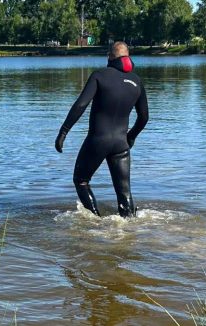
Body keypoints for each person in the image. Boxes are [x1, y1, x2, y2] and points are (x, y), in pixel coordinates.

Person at [54, 41, 149, 218]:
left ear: (110, 57)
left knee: (81, 181)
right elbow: (144, 118)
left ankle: (96, 221)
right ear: (128, 57)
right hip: (121, 144)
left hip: (98, 141)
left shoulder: (100, 76)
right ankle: (130, 226)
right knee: (124, 193)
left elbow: (81, 105)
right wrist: (131, 137)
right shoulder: (137, 82)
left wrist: (64, 131)